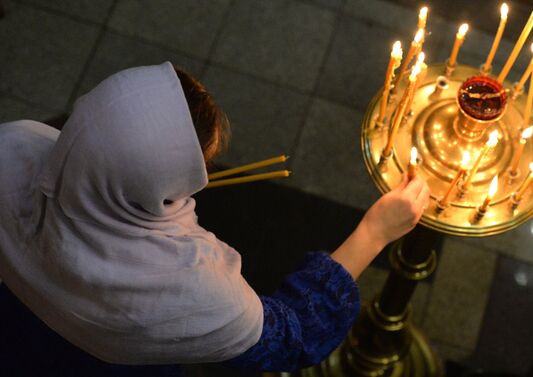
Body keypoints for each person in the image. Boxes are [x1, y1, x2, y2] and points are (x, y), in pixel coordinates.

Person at [0, 62, 430, 374]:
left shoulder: (15, 145)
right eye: (190, 176)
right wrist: (375, 231)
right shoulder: (184, 287)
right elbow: (290, 336)